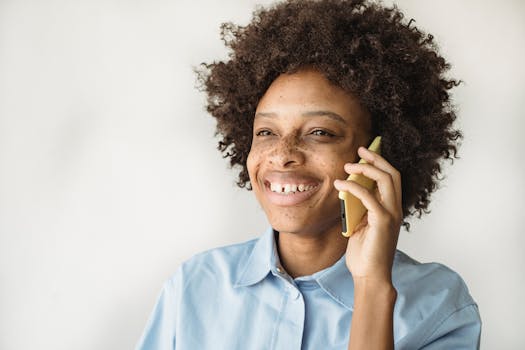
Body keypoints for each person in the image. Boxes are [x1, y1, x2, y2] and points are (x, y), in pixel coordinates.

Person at [136, 0, 481, 349]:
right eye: (266, 132)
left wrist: (372, 287)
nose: (283, 155)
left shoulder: (440, 306)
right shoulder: (194, 286)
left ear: (379, 154)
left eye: (320, 132)